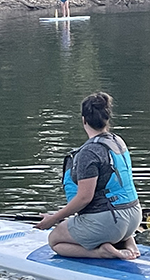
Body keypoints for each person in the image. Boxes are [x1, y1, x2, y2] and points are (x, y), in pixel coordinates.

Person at [35, 92, 142, 260]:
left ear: (84, 120)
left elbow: (84, 198)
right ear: (107, 118)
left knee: (55, 240)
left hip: (111, 222)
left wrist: (53, 219)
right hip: (135, 217)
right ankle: (130, 246)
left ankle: (100, 252)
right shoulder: (118, 141)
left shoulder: (88, 152)